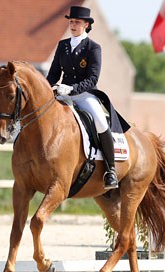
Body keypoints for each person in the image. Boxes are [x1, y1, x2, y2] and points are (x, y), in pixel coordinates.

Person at [46, 6, 118, 190]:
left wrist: (72, 88)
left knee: (101, 122)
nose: (73, 25)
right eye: (71, 22)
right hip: (62, 93)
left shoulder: (93, 48)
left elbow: (93, 78)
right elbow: (54, 73)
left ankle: (111, 170)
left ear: (86, 24)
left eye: (77, 22)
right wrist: (47, 89)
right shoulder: (63, 46)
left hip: (84, 95)